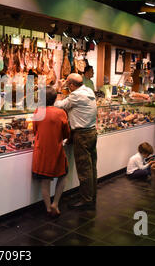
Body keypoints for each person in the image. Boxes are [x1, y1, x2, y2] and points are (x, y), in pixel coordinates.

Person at [55, 73, 98, 209]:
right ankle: (91, 196)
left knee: (84, 169)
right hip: (92, 132)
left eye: (68, 84)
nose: (67, 86)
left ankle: (86, 201)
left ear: (72, 85)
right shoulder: (88, 90)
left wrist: (59, 88)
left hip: (82, 135)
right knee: (91, 167)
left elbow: (58, 105)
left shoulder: (76, 95)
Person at [32, 86, 70, 217]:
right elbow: (66, 133)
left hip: (41, 150)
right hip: (56, 150)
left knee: (45, 180)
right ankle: (55, 203)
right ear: (55, 98)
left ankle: (48, 207)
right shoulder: (61, 113)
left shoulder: (38, 111)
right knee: (64, 174)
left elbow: (35, 131)